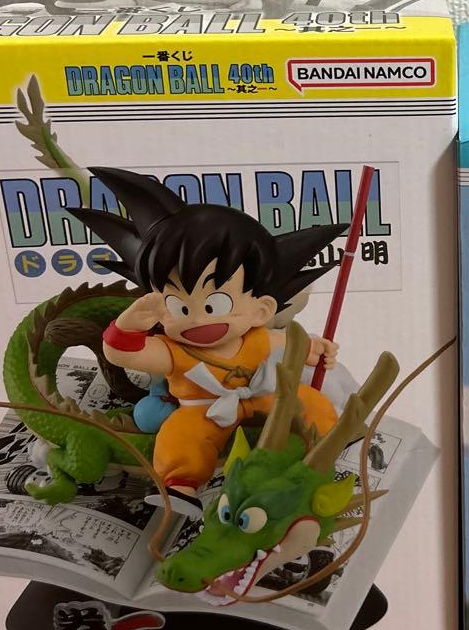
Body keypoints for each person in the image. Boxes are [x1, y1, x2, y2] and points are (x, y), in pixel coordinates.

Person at [70, 167, 346, 518]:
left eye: (214, 305)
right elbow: (124, 354)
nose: (197, 319)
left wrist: (316, 350)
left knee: (311, 403)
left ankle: (317, 454)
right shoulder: (175, 350)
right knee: (180, 434)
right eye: (179, 306)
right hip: (203, 410)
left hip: (262, 397)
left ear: (261, 310)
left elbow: (291, 345)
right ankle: (180, 486)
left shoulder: (258, 336)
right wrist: (128, 325)